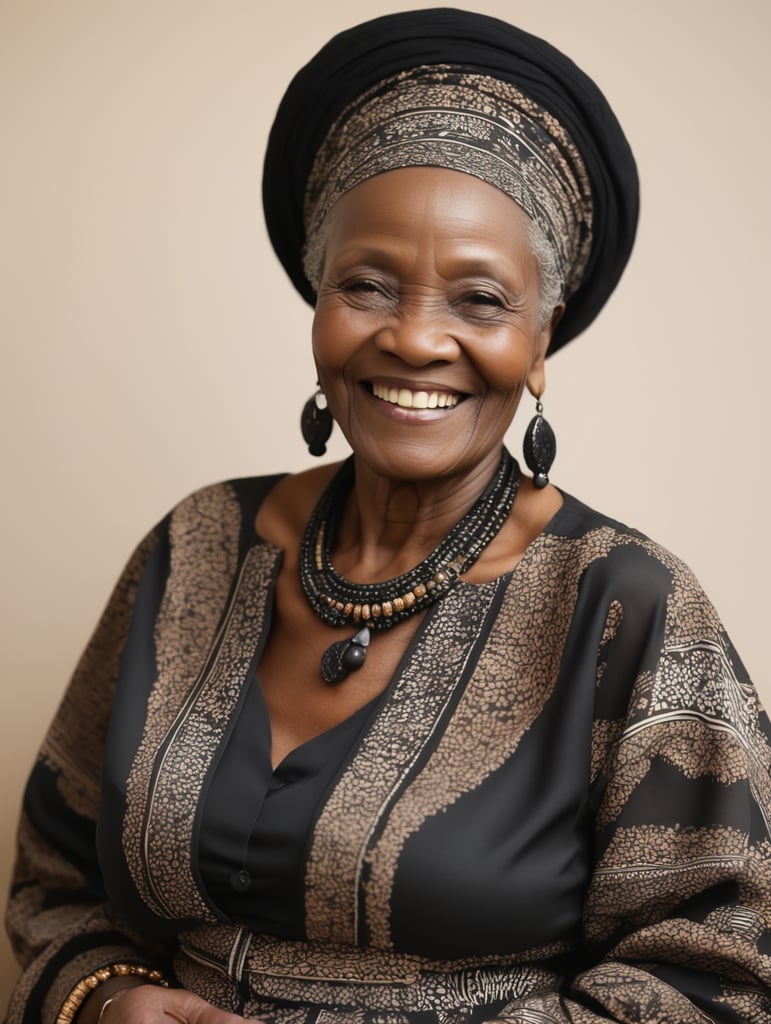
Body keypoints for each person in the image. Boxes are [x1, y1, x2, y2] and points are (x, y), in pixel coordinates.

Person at [5, 7, 771, 1024]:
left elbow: (718, 979)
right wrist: (105, 999)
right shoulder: (194, 546)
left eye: (479, 299)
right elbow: (54, 883)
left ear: (542, 338)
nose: (414, 338)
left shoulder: (628, 609)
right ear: (318, 302)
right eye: (366, 284)